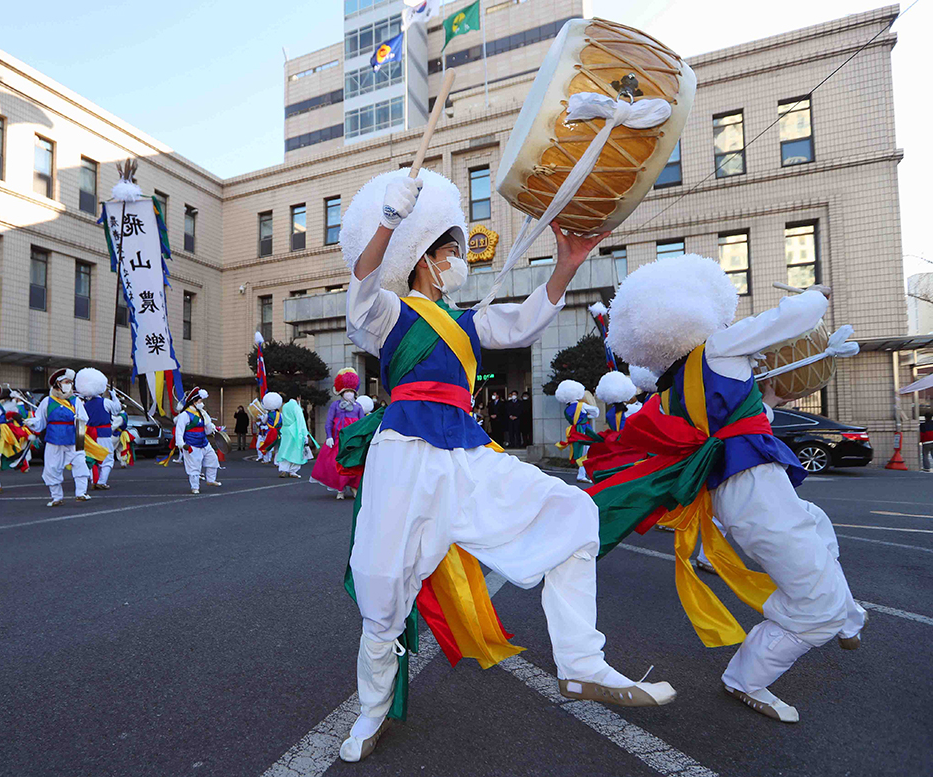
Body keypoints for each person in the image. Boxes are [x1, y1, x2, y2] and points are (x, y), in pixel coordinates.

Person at [336, 168, 675, 763]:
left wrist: (566, 264)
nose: (459, 261)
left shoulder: (470, 322)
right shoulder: (390, 313)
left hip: (468, 456)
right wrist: (389, 222)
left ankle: (581, 662)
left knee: (572, 512)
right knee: (382, 591)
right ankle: (371, 712)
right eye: (450, 251)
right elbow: (359, 294)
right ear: (423, 259)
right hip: (403, 457)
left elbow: (521, 323)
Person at [598, 254, 865, 724]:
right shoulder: (718, 349)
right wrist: (814, 295)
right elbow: (792, 318)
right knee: (812, 600)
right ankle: (749, 676)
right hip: (753, 491)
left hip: (748, 486)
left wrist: (815, 359)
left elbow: (757, 400)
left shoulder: (681, 378)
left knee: (815, 525)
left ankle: (843, 614)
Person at [24, 368, 91, 507]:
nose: (68, 385)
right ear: (57, 384)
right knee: (52, 467)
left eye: (70, 382)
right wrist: (32, 423)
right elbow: (40, 421)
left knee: (80, 463)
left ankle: (81, 493)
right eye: (65, 382)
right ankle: (56, 497)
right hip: (54, 437)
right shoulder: (47, 401)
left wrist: (79, 425)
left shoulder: (75, 401)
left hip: (74, 436)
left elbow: (84, 418)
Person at [310, 368, 367, 499]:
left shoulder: (358, 407)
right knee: (338, 464)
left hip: (353, 441)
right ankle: (340, 489)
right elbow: (329, 422)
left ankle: (354, 487)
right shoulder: (335, 406)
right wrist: (329, 436)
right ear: (341, 392)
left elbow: (363, 424)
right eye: (346, 391)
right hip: (338, 440)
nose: (349, 394)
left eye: (351, 391)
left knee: (354, 463)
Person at [76, 368, 121, 490]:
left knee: (92, 457)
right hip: (103, 434)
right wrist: (114, 396)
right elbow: (117, 409)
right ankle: (101, 481)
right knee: (107, 458)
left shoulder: (85, 404)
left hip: (90, 434)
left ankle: (93, 479)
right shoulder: (105, 402)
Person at [174, 387, 220, 494]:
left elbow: (207, 429)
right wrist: (181, 444)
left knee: (213, 459)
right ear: (194, 402)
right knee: (194, 467)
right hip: (192, 444)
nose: (202, 403)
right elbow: (179, 431)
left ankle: (211, 480)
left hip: (204, 442)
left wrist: (212, 428)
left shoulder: (202, 413)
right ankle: (195, 487)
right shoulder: (185, 415)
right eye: (200, 401)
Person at [555, 380, 600, 483]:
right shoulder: (582, 406)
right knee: (586, 452)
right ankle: (582, 474)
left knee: (580, 452)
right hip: (585, 430)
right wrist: (587, 416)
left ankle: (583, 473)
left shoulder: (566, 410)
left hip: (574, 431)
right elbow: (596, 412)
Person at [274, 398, 312, 478]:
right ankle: (293, 471)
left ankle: (283, 469)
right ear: (298, 397)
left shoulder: (285, 407)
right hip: (296, 431)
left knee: (285, 450)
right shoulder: (296, 407)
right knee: (296, 451)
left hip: (286, 431)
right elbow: (300, 421)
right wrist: (304, 434)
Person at [256, 392, 283, 463]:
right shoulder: (280, 414)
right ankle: (276, 462)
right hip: (279, 433)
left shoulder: (267, 415)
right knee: (277, 448)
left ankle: (266, 460)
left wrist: (261, 418)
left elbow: (264, 422)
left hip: (270, 432)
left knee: (267, 446)